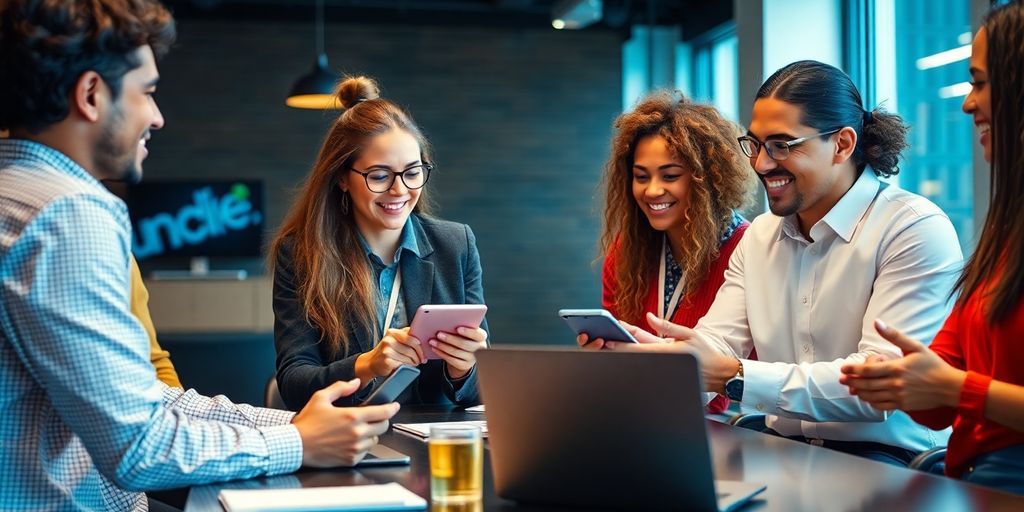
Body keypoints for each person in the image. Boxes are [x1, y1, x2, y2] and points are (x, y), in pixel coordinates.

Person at [0, 2, 397, 509]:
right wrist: (298, 442)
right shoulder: (67, 215)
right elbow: (139, 446)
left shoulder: (17, 198)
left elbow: (138, 398)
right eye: (147, 92)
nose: (157, 117)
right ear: (91, 94)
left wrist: (294, 423)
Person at [600, 60, 963, 466]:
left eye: (782, 146)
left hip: (887, 460)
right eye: (755, 145)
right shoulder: (760, 236)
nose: (761, 164)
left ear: (843, 144)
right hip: (783, 452)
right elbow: (717, 343)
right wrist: (661, 360)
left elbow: (875, 389)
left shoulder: (912, 228)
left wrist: (732, 375)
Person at [841, 1, 1024, 494]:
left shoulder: (911, 222)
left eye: (981, 83)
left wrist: (952, 387)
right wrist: (899, 377)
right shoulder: (1007, 233)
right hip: (973, 476)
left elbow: (954, 390)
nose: (968, 103)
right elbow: (942, 398)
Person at [270, 76, 488, 411]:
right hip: (349, 441)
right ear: (342, 178)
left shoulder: (456, 244)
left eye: (412, 172)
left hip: (436, 440)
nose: (399, 190)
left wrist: (465, 369)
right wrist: (367, 365)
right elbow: (295, 384)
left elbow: (480, 390)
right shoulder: (302, 254)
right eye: (379, 176)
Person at [580, 92, 755, 414]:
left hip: (731, 428)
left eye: (670, 175)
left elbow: (749, 378)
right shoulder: (625, 253)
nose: (653, 191)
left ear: (710, 179)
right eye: (641, 176)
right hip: (645, 418)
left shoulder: (751, 250)